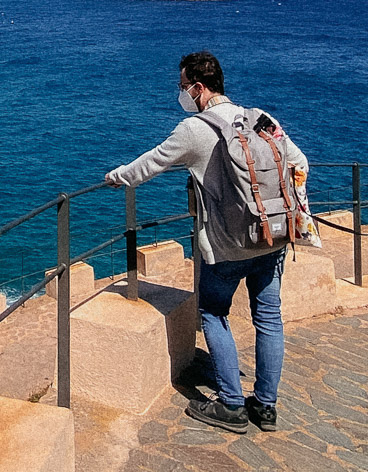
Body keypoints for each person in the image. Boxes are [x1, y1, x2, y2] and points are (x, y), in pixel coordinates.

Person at [104, 50, 308, 434]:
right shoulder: (262, 119)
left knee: (214, 314)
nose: (181, 94)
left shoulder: (194, 129)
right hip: (272, 237)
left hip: (226, 246)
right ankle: (265, 406)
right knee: (268, 318)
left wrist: (118, 177)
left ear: (198, 88)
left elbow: (151, 163)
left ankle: (231, 405)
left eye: (183, 87)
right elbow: (300, 163)